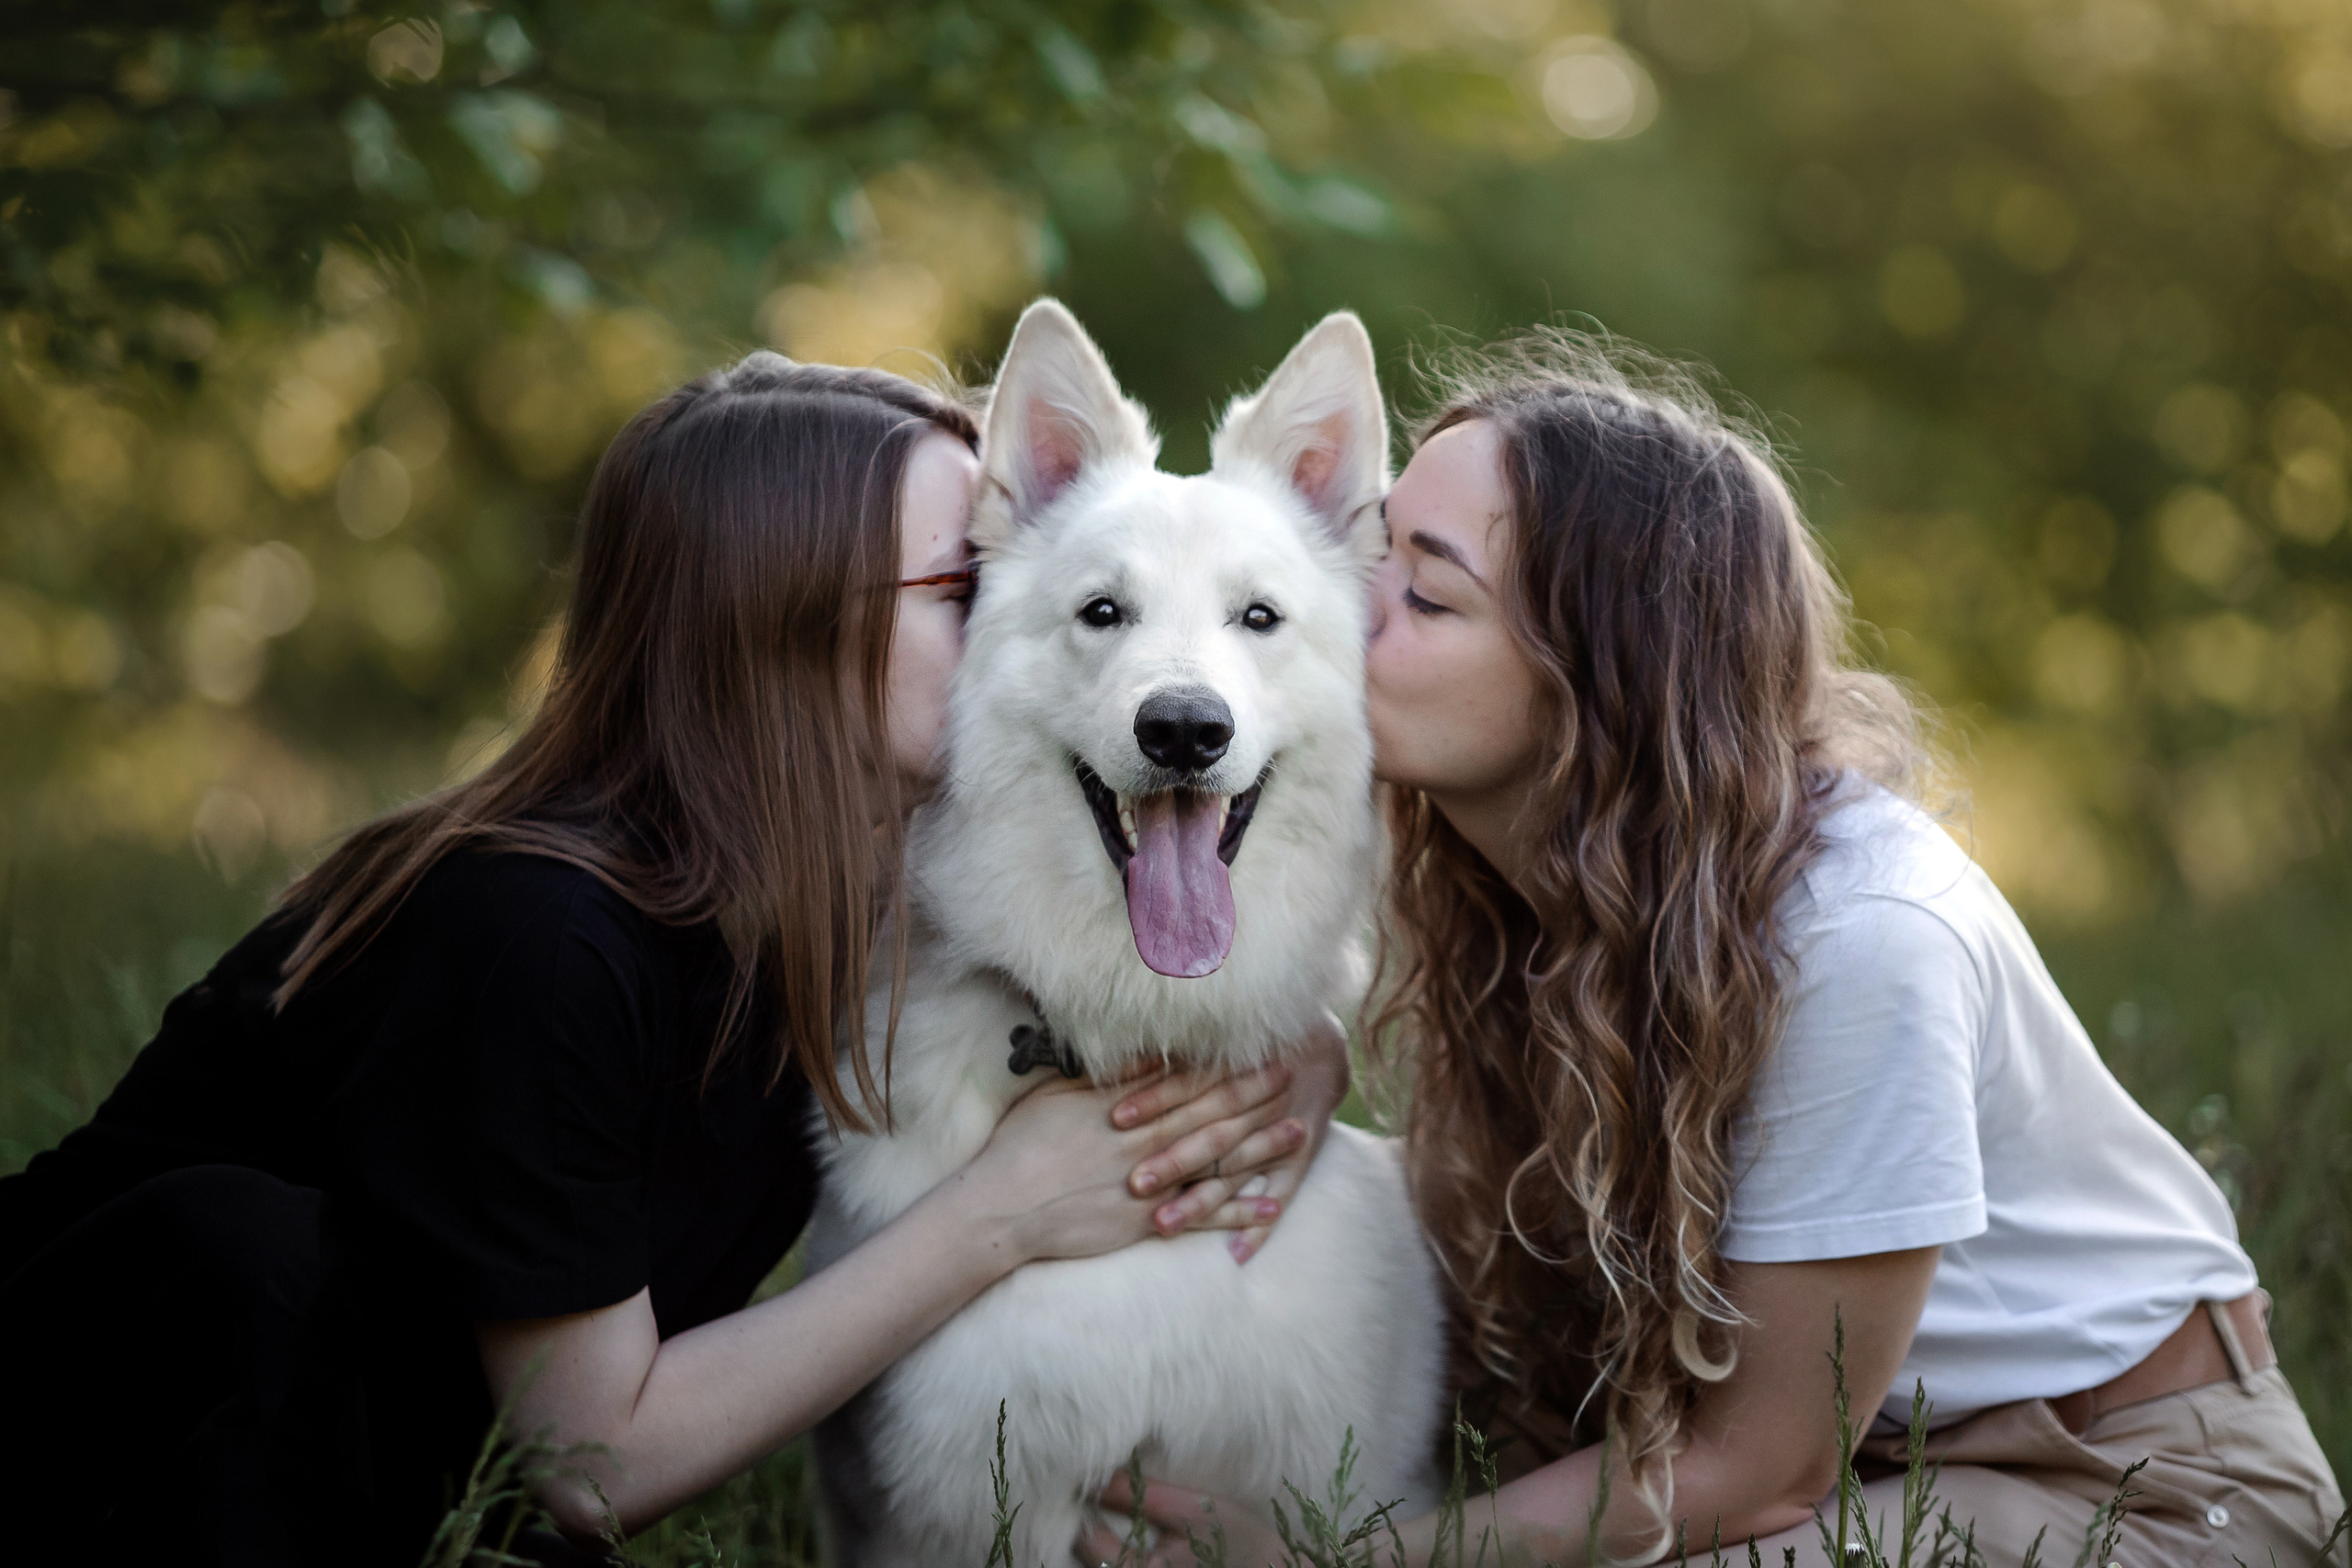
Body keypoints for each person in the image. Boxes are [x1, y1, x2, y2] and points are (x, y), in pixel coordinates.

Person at [0, 353, 1347, 1566]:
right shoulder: (536, 928)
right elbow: (600, 1462)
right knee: (250, 1253)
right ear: (783, 620)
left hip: (393, 1499)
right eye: (970, 584)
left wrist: (1302, 1057)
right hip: (96, 1430)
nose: (1035, 607)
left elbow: (1098, 991)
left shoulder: (845, 894)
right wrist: (1002, 1213)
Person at [1087, 339, 2346, 1564]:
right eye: (1365, 547)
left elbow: (1756, 1471)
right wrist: (1301, 1059)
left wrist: (1331, 1559)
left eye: (1425, 591)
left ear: (1600, 673)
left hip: (2138, 1485)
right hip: (1866, 1467)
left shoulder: (1860, 938)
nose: (1341, 599)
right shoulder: (1480, 843)